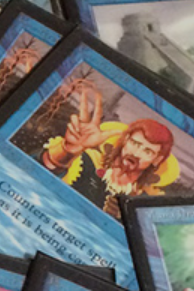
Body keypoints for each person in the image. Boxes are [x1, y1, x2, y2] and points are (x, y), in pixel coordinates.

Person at [37, 79, 177, 217]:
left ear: (157, 159)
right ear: (125, 141)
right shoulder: (87, 163)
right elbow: (37, 172)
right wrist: (67, 151)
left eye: (147, 151)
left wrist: (123, 220)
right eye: (135, 144)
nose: (136, 153)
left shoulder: (144, 204)